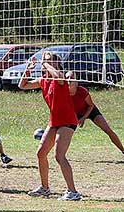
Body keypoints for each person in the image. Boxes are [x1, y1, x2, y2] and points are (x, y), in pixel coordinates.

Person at [19, 52, 81, 201]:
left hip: (67, 120)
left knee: (59, 156)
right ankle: (45, 188)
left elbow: (59, 78)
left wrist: (46, 64)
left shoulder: (61, 77)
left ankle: (73, 192)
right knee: (41, 153)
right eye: (44, 61)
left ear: (56, 63)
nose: (45, 63)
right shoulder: (43, 80)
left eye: (49, 61)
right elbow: (22, 85)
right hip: (54, 121)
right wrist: (28, 69)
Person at [66, 71, 124, 155]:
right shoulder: (63, 93)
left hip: (90, 110)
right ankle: (61, 154)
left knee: (107, 129)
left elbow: (90, 105)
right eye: (67, 78)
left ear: (76, 81)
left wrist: (83, 118)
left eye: (71, 78)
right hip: (76, 113)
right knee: (65, 132)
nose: (68, 80)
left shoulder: (82, 91)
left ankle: (123, 150)